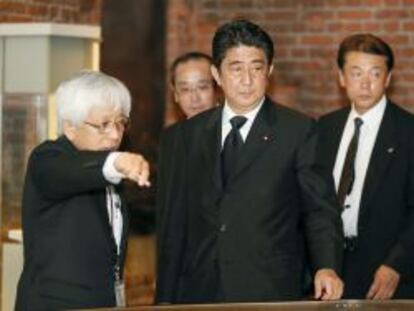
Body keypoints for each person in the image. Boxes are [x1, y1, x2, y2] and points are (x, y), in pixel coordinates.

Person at [155, 19, 343, 304]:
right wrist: (164, 301)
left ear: (269, 71)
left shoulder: (298, 130)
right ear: (217, 74)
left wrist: (326, 266)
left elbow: (319, 210)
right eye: (236, 68)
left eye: (256, 68)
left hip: (268, 288)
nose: (247, 80)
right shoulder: (183, 137)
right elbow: (172, 226)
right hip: (198, 289)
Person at [15, 70, 151, 310]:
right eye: (104, 125)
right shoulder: (48, 157)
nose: (115, 134)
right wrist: (116, 163)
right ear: (70, 127)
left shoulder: (105, 167)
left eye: (121, 123)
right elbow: (70, 172)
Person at [316, 33, 414, 299]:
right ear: (341, 77)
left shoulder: (408, 131)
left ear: (388, 79)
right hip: (331, 271)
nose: (365, 84)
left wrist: (396, 265)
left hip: (387, 274)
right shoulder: (324, 128)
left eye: (375, 73)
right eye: (356, 73)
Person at [170, 51, 217, 119]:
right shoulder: (174, 129)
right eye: (185, 89)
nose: (194, 98)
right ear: (175, 95)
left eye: (202, 87)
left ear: (218, 89)